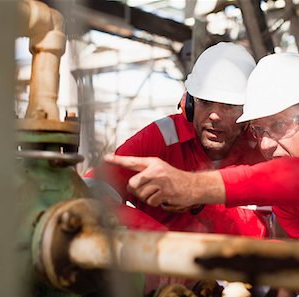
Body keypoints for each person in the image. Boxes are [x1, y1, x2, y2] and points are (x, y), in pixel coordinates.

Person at [104, 52, 299, 244]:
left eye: (279, 124)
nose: (266, 144)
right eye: (260, 130)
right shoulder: (162, 137)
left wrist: (195, 189)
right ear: (188, 103)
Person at [85, 42, 269, 238]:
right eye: (205, 102)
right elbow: (88, 192)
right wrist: (157, 236)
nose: (214, 116)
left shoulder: (263, 151)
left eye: (228, 105)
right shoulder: (163, 137)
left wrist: (198, 197)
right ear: (189, 103)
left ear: (249, 113)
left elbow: (267, 234)